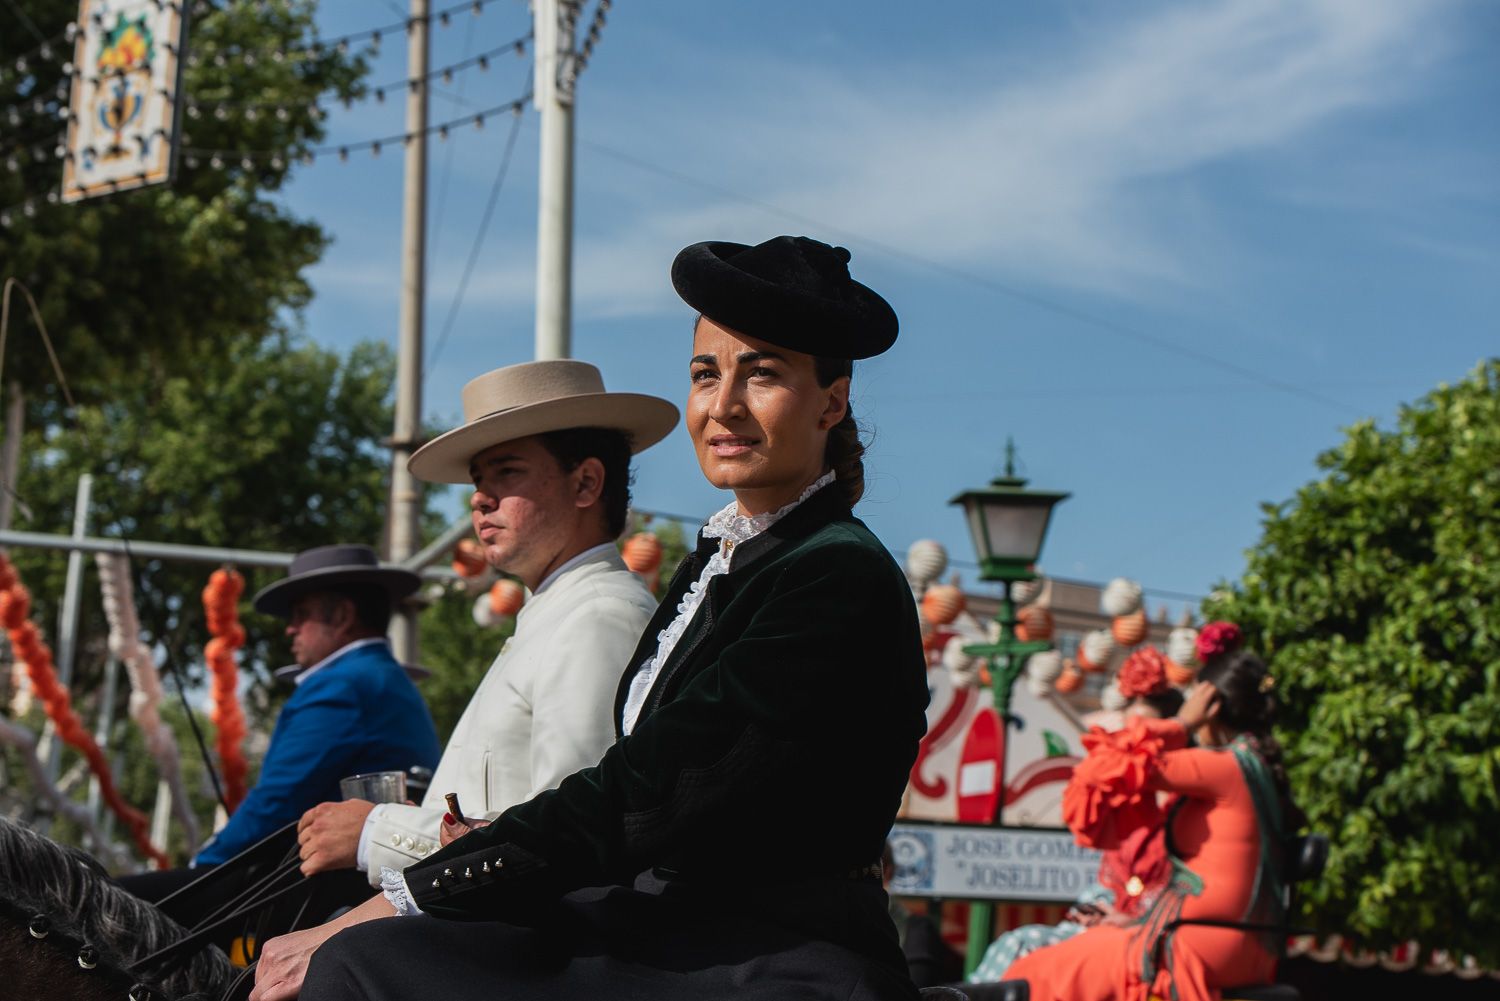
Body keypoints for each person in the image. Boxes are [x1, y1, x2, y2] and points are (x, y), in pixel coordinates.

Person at [249, 235, 931, 1001]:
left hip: (775, 953)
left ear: (831, 400)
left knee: (364, 962)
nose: (723, 404)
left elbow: (642, 792)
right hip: (669, 927)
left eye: (763, 373)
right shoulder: (723, 559)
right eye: (706, 374)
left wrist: (395, 897)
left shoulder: (833, 571)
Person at [293, 359, 678, 885]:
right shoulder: (558, 614)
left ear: (586, 482)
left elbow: (572, 838)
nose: (479, 497)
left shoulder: (596, 618)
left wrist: (378, 829)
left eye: (507, 471)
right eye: (479, 479)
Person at [1001, 644, 1297, 1001]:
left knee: (1033, 972)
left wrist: (1180, 723)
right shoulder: (1252, 767)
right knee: (1081, 946)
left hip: (1197, 945)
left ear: (1211, 706)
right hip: (1230, 944)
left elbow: (1103, 767)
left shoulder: (1226, 767)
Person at [195, 545, 443, 866]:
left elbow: (276, 804)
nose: (290, 628)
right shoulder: (379, 676)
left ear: (341, 616)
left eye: (301, 615)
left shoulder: (342, 685)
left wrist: (203, 865)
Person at [969, 648, 1185, 983]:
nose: (1139, 737)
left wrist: (1134, 918)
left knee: (1026, 949)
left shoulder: (1187, 797)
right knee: (1018, 946)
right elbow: (1087, 816)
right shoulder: (1124, 789)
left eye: (1149, 730)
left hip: (1151, 928)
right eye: (1133, 727)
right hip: (1107, 912)